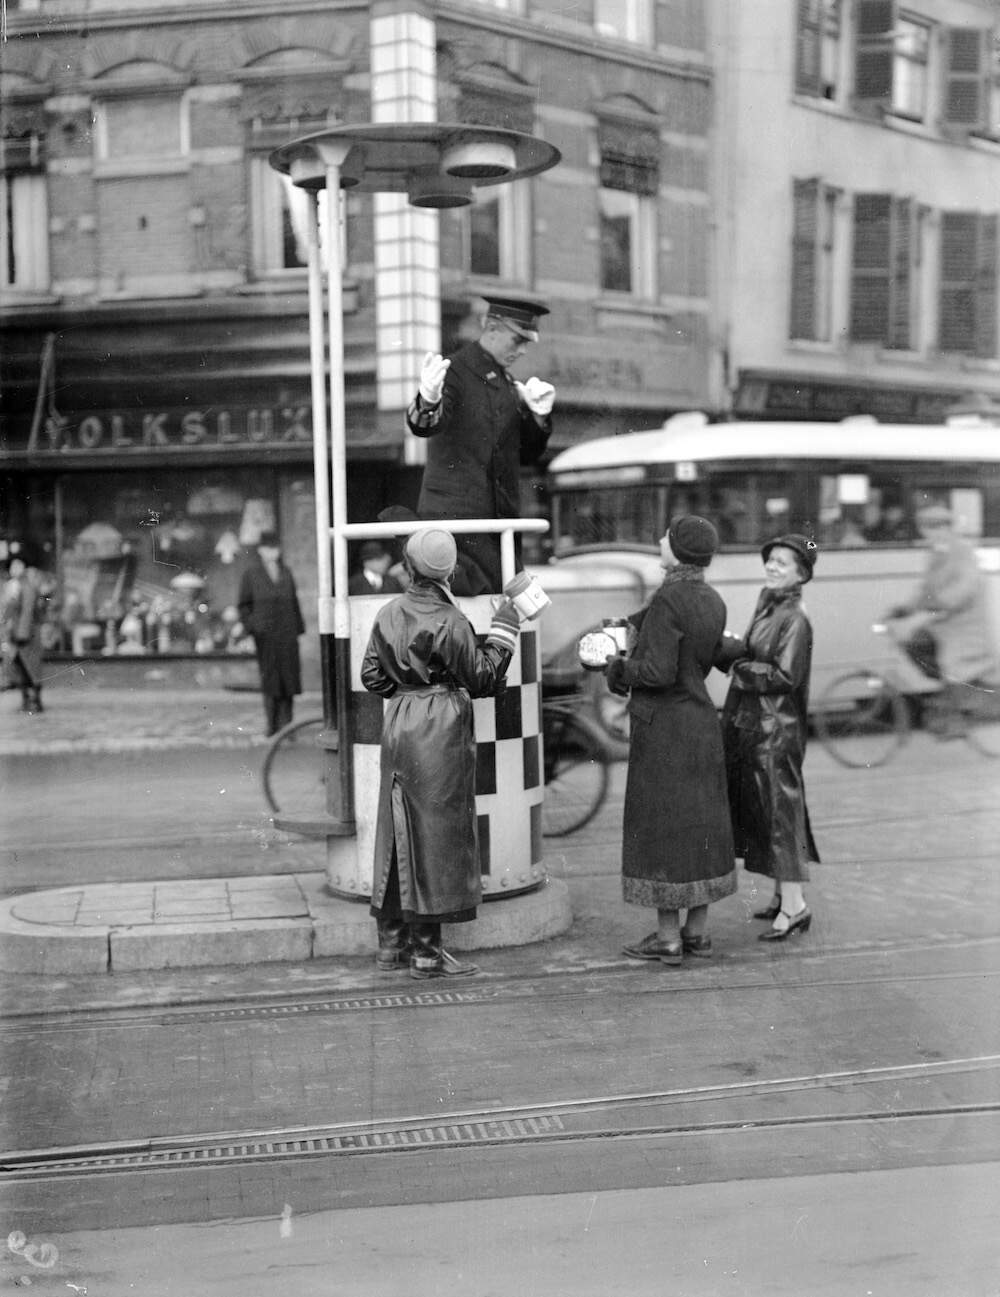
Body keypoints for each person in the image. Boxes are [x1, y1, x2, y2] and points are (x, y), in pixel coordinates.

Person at [360, 527, 521, 980]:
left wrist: (409, 688)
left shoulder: (389, 611)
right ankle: (428, 954)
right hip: (441, 728)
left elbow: (372, 676)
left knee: (396, 831)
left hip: (401, 722)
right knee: (436, 835)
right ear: (449, 570)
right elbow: (483, 678)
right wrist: (506, 629)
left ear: (407, 566)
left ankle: (391, 946)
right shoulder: (451, 619)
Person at [604, 515, 737, 965]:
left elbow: (657, 672)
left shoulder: (669, 600)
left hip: (663, 731)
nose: (659, 539)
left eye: (666, 536)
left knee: (662, 832)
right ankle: (696, 934)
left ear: (677, 551)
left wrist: (620, 669)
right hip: (701, 725)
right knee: (699, 831)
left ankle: (666, 938)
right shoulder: (711, 598)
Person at [406, 296, 557, 591]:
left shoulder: (506, 382)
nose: (522, 350)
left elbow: (526, 454)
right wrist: (427, 400)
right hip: (458, 532)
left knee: (507, 619)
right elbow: (424, 425)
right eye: (517, 340)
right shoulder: (455, 371)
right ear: (492, 328)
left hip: (496, 530)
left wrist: (538, 417)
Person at [720, 533, 820, 941]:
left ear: (801, 573)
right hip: (761, 725)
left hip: (776, 730)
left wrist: (738, 668)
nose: (773, 566)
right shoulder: (771, 607)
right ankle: (784, 897)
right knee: (770, 811)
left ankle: (795, 908)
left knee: (779, 814)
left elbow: (785, 675)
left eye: (783, 562)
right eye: (771, 559)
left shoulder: (793, 617)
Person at [884, 503, 998, 737]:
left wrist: (942, 601)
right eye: (927, 528)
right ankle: (949, 696)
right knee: (915, 643)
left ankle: (956, 713)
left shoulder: (963, 550)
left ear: (947, 527)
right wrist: (905, 609)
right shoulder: (938, 553)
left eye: (936, 527)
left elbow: (968, 585)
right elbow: (925, 589)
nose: (931, 533)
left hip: (964, 623)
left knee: (953, 662)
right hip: (946, 622)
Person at [236, 532, 305, 737]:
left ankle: (288, 726)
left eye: (275, 548)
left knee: (289, 679)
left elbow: (294, 602)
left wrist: (297, 629)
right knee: (271, 680)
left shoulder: (286, 572)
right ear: (260, 551)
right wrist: (253, 627)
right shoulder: (252, 574)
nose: (272, 553)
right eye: (268, 549)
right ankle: (272, 725)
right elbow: (243, 605)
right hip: (266, 637)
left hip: (288, 635)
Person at [1, 543, 49, 715]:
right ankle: (26, 699)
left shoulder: (27, 586)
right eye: (13, 566)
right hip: (15, 633)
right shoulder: (12, 586)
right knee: (20, 667)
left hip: (27, 633)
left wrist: (22, 634)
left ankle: (35, 701)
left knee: (31, 667)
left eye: (18, 565)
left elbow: (28, 610)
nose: (15, 568)